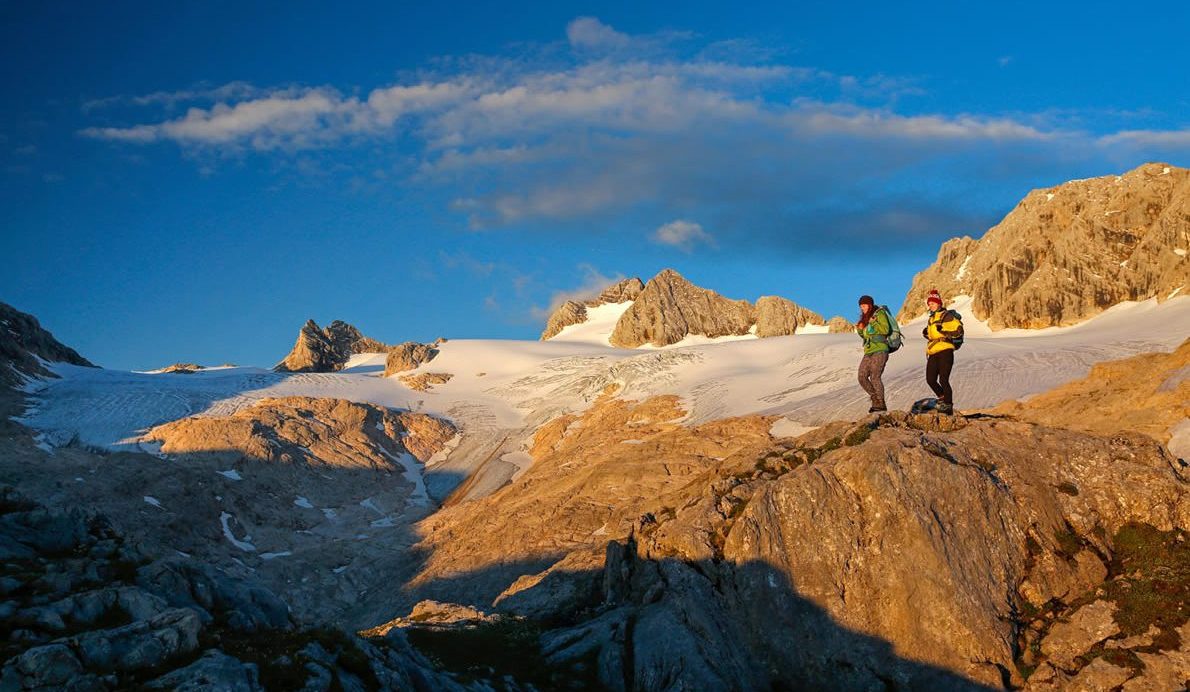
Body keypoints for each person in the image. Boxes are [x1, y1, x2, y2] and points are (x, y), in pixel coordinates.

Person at [922, 289, 961, 414]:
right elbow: (933, 333)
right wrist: (927, 333)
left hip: (945, 350)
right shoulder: (931, 319)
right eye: (929, 303)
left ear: (939, 303)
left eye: (933, 303)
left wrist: (943, 331)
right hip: (933, 351)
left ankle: (948, 405)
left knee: (943, 379)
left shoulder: (946, 315)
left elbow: (958, 330)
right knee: (930, 379)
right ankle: (942, 398)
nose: (931, 305)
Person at [855, 295, 892, 413]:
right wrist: (860, 329)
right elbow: (865, 335)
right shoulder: (865, 318)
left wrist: (874, 323)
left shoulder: (879, 314)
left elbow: (886, 330)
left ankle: (881, 403)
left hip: (880, 349)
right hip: (869, 350)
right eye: (861, 306)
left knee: (875, 376)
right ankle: (875, 399)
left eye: (864, 305)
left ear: (870, 305)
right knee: (862, 376)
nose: (862, 308)